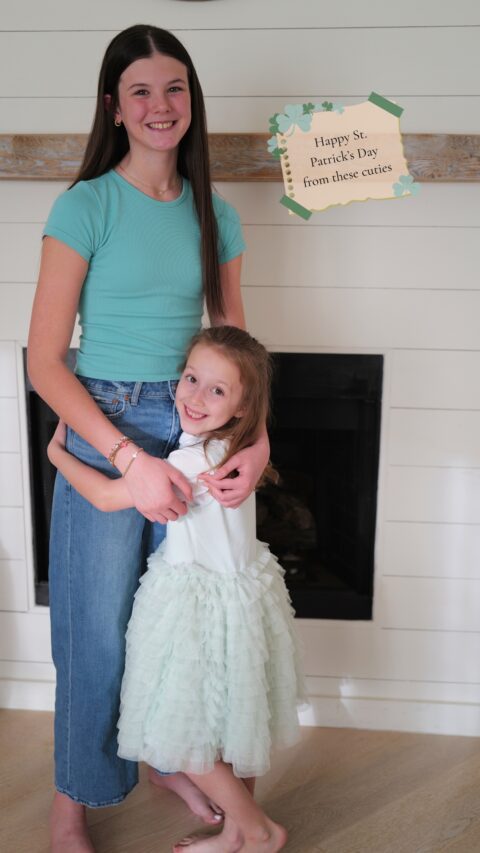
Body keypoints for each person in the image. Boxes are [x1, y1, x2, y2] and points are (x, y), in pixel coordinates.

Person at [27, 25, 270, 852]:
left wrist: (257, 438)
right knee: (93, 630)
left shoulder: (217, 213)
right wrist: (127, 459)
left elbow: (236, 345)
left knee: (178, 622)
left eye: (175, 89)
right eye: (141, 91)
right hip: (105, 424)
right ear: (115, 107)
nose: (161, 106)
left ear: (191, 103)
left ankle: (168, 759)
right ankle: (73, 803)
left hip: (194, 423)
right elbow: (43, 361)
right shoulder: (86, 203)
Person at [48, 326, 305, 853]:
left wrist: (57, 452)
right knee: (234, 724)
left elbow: (101, 496)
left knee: (177, 731)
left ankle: (257, 831)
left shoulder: (187, 464)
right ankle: (235, 830)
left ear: (241, 407)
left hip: (196, 612)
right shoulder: (235, 456)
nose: (193, 395)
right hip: (242, 604)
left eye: (216, 390)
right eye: (191, 378)